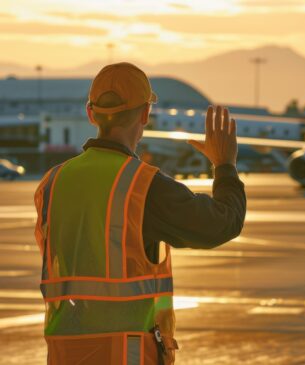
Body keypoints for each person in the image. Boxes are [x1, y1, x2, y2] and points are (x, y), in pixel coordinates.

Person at [33, 62, 246, 365]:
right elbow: (222, 223)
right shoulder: (142, 185)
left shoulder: (51, 184)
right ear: (146, 114)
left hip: (64, 355)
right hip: (126, 355)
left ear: (91, 113)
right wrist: (225, 166)